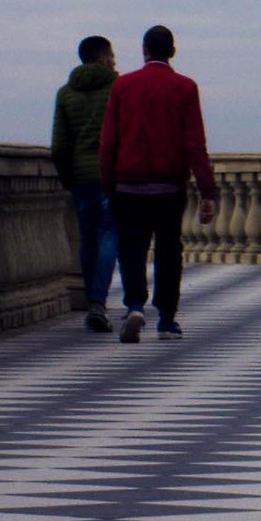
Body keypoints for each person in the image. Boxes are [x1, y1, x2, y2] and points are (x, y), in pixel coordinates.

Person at [98, 24, 218, 343]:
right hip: (168, 186)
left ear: (144, 51)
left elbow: (109, 141)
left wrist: (108, 182)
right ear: (172, 52)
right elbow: (194, 143)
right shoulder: (185, 87)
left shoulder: (123, 86)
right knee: (168, 250)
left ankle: (135, 304)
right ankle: (166, 319)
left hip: (128, 184)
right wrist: (208, 191)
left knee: (131, 247)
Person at [50, 36, 121, 332]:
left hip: (80, 177)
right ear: (103, 57)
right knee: (109, 235)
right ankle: (97, 300)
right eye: (112, 55)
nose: (114, 60)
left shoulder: (66, 93)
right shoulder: (118, 89)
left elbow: (60, 145)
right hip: (112, 175)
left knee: (88, 237)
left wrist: (68, 176)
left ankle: (93, 297)